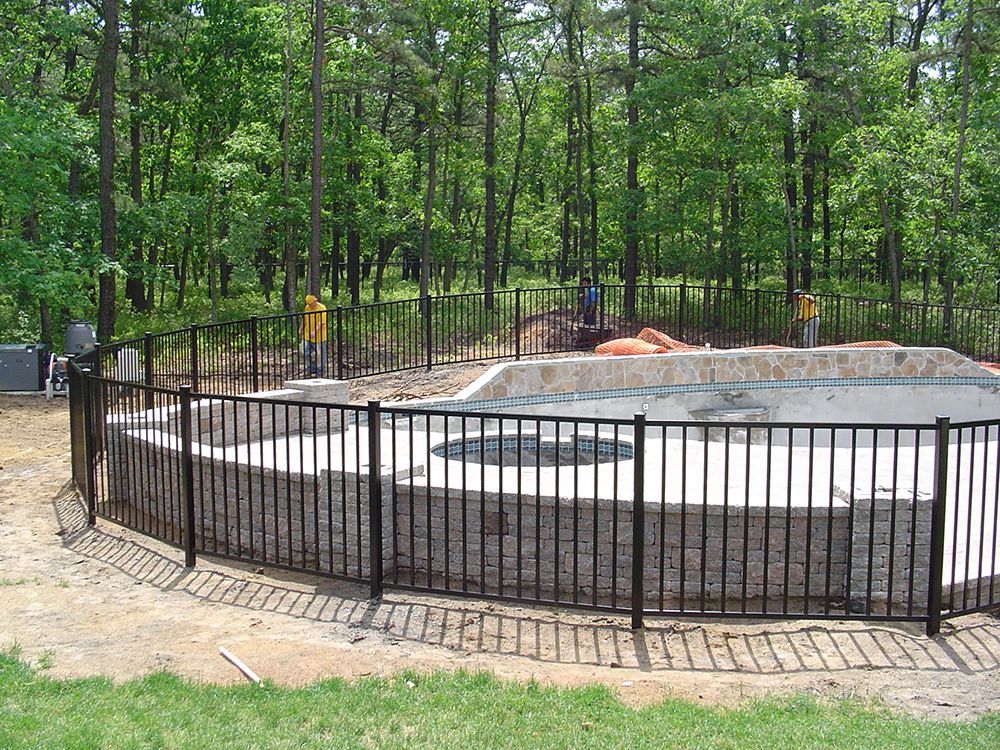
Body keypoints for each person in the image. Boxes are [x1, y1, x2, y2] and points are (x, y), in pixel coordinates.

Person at [299, 294, 328, 376]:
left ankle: (320, 371)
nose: (310, 305)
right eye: (308, 304)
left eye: (311, 303)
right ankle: (311, 368)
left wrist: (315, 331)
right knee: (303, 351)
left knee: (319, 354)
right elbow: (304, 319)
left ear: (315, 301)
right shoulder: (307, 308)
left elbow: (321, 322)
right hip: (307, 334)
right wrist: (300, 328)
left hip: (319, 336)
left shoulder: (322, 308)